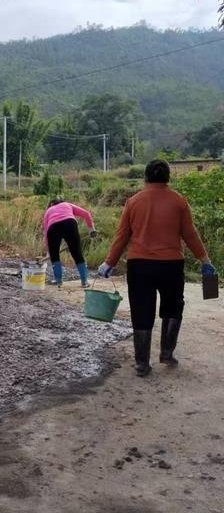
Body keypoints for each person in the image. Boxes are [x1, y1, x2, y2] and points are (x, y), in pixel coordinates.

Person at [97, 159, 216, 377]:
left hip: (139, 266)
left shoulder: (133, 202)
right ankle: (167, 354)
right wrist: (205, 260)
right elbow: (190, 234)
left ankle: (142, 363)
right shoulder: (179, 201)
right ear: (167, 177)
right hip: (171, 266)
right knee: (173, 308)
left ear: (146, 177)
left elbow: (122, 236)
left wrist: (110, 262)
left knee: (142, 310)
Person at [43, 198, 97, 287]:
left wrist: (49, 251)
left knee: (54, 255)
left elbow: (46, 231)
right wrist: (91, 229)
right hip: (70, 224)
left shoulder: (48, 211)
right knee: (77, 253)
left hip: (53, 227)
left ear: (51, 205)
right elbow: (86, 214)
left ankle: (58, 280)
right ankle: (84, 281)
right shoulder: (67, 204)